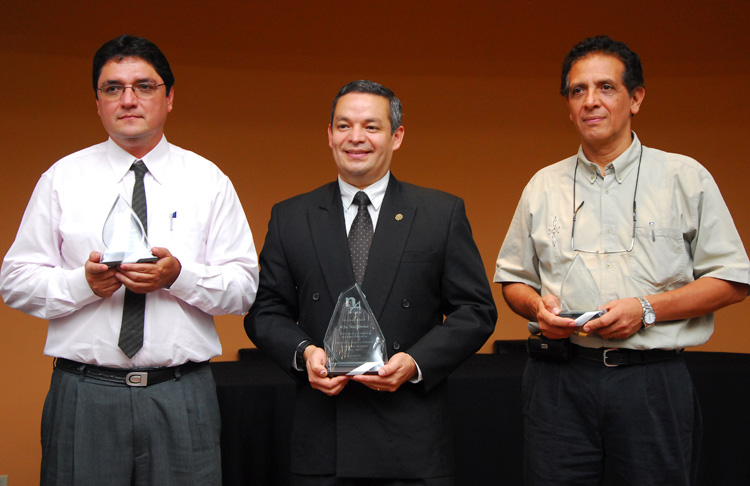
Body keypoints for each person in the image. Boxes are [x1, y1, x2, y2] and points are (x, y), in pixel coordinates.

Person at [0, 34, 259, 485]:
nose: (129, 99)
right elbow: (15, 280)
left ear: (169, 97)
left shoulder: (208, 181)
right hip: (84, 394)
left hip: (182, 396)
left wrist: (178, 276)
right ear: (97, 101)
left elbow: (243, 289)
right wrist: (82, 285)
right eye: (113, 88)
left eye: (144, 86)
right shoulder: (62, 178)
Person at [494, 35, 750, 485]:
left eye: (606, 88)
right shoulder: (542, 185)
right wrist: (537, 309)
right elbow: (513, 280)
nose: (590, 102)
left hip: (651, 381)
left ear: (635, 98)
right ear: (569, 105)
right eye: (578, 91)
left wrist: (647, 308)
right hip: (559, 380)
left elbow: (732, 278)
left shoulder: (684, 177)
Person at [244, 79, 497, 485]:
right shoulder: (292, 216)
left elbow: (476, 311)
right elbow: (265, 312)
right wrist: (305, 353)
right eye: (343, 126)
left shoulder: (440, 213)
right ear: (329, 136)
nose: (355, 138)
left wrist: (415, 362)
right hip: (323, 438)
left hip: (411, 439)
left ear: (396, 137)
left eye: (371, 127)